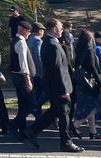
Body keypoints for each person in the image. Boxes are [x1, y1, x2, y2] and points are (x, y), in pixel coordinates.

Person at [22, 18, 83, 153]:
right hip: (58, 87)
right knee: (64, 113)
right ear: (55, 29)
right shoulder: (52, 45)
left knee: (54, 112)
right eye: (60, 27)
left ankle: (31, 131)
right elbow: (57, 70)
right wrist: (63, 90)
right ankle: (66, 142)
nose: (62, 29)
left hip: (55, 86)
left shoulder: (50, 42)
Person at [71, 29, 101, 140]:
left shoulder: (78, 49)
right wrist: (100, 83)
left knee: (89, 105)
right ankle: (76, 124)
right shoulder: (90, 50)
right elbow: (93, 68)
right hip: (90, 82)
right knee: (94, 106)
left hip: (81, 82)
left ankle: (92, 131)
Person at [10, 21, 36, 137]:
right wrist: (28, 80)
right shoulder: (21, 43)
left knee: (23, 104)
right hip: (21, 77)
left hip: (17, 76)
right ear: (23, 30)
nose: (29, 34)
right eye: (28, 31)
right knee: (29, 104)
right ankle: (16, 124)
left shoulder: (15, 40)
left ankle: (20, 127)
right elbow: (23, 63)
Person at [28, 22, 45, 117]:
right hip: (38, 72)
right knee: (40, 94)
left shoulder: (30, 39)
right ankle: (37, 111)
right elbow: (38, 57)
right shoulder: (38, 41)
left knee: (36, 93)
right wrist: (42, 71)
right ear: (40, 31)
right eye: (42, 30)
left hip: (31, 71)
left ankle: (36, 110)